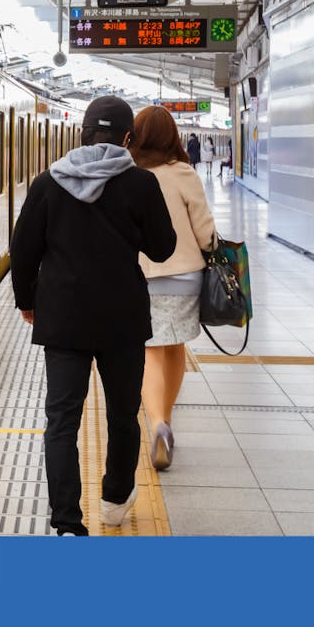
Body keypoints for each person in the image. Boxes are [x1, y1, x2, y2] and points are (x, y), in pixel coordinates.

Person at [11, 96, 176, 536]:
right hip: (122, 320)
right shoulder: (141, 184)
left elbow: (23, 249)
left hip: (63, 319)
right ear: (127, 138)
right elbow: (163, 248)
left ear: (82, 133)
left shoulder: (49, 182)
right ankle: (115, 501)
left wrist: (27, 300)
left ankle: (67, 522)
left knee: (61, 422)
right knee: (123, 416)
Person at [129, 106, 217, 471]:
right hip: (183, 277)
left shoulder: (127, 173)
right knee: (175, 346)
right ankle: (165, 420)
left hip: (138, 275)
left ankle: (156, 424)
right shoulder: (184, 174)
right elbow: (205, 233)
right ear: (173, 137)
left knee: (149, 350)